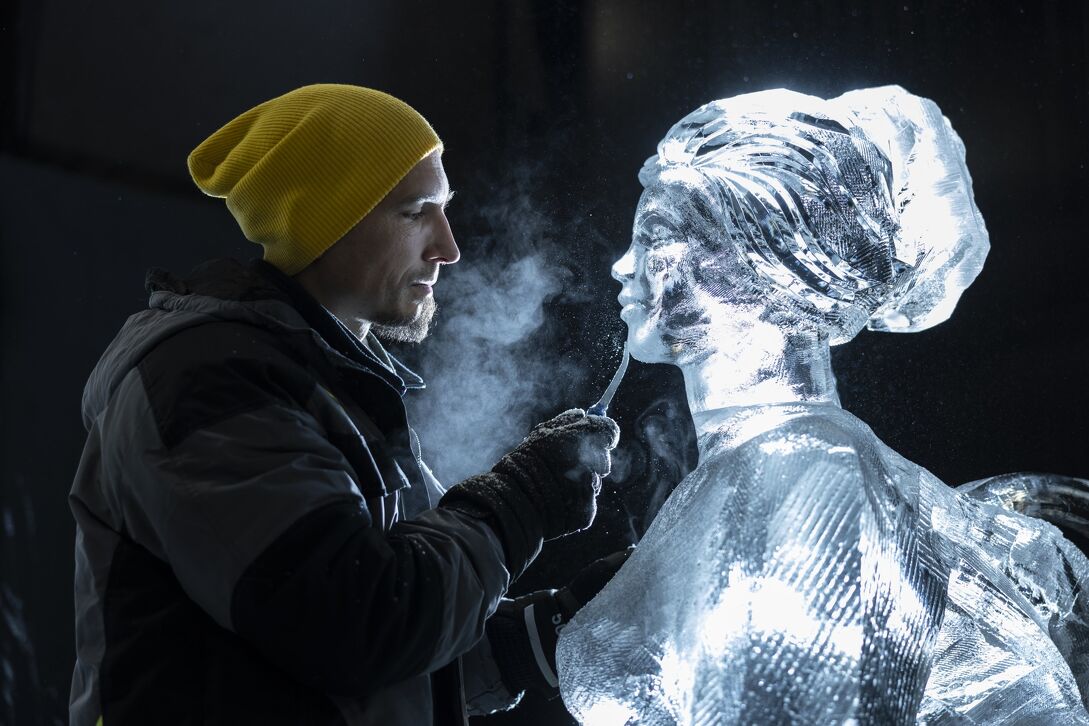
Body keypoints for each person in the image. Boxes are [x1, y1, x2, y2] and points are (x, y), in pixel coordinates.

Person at [68, 83, 625, 726]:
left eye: (444, 210)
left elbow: (399, 667)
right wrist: (519, 501)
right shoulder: (208, 383)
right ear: (329, 221)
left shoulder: (336, 387)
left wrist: (556, 628)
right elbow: (358, 624)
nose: (448, 247)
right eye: (416, 212)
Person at [556, 86, 1089, 724]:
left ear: (756, 268)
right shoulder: (774, 465)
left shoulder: (811, 478)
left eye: (656, 240)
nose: (623, 266)